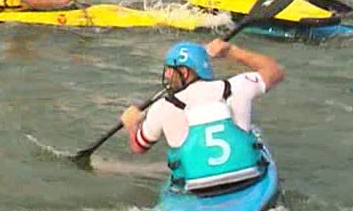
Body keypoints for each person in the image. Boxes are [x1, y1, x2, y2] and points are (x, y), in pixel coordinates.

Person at [119, 39, 284, 192]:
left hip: (199, 189)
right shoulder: (237, 86)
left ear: (184, 71)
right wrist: (232, 51)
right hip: (248, 177)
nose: (167, 76)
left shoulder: (162, 107)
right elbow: (275, 71)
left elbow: (138, 147)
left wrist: (132, 124)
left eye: (170, 70)